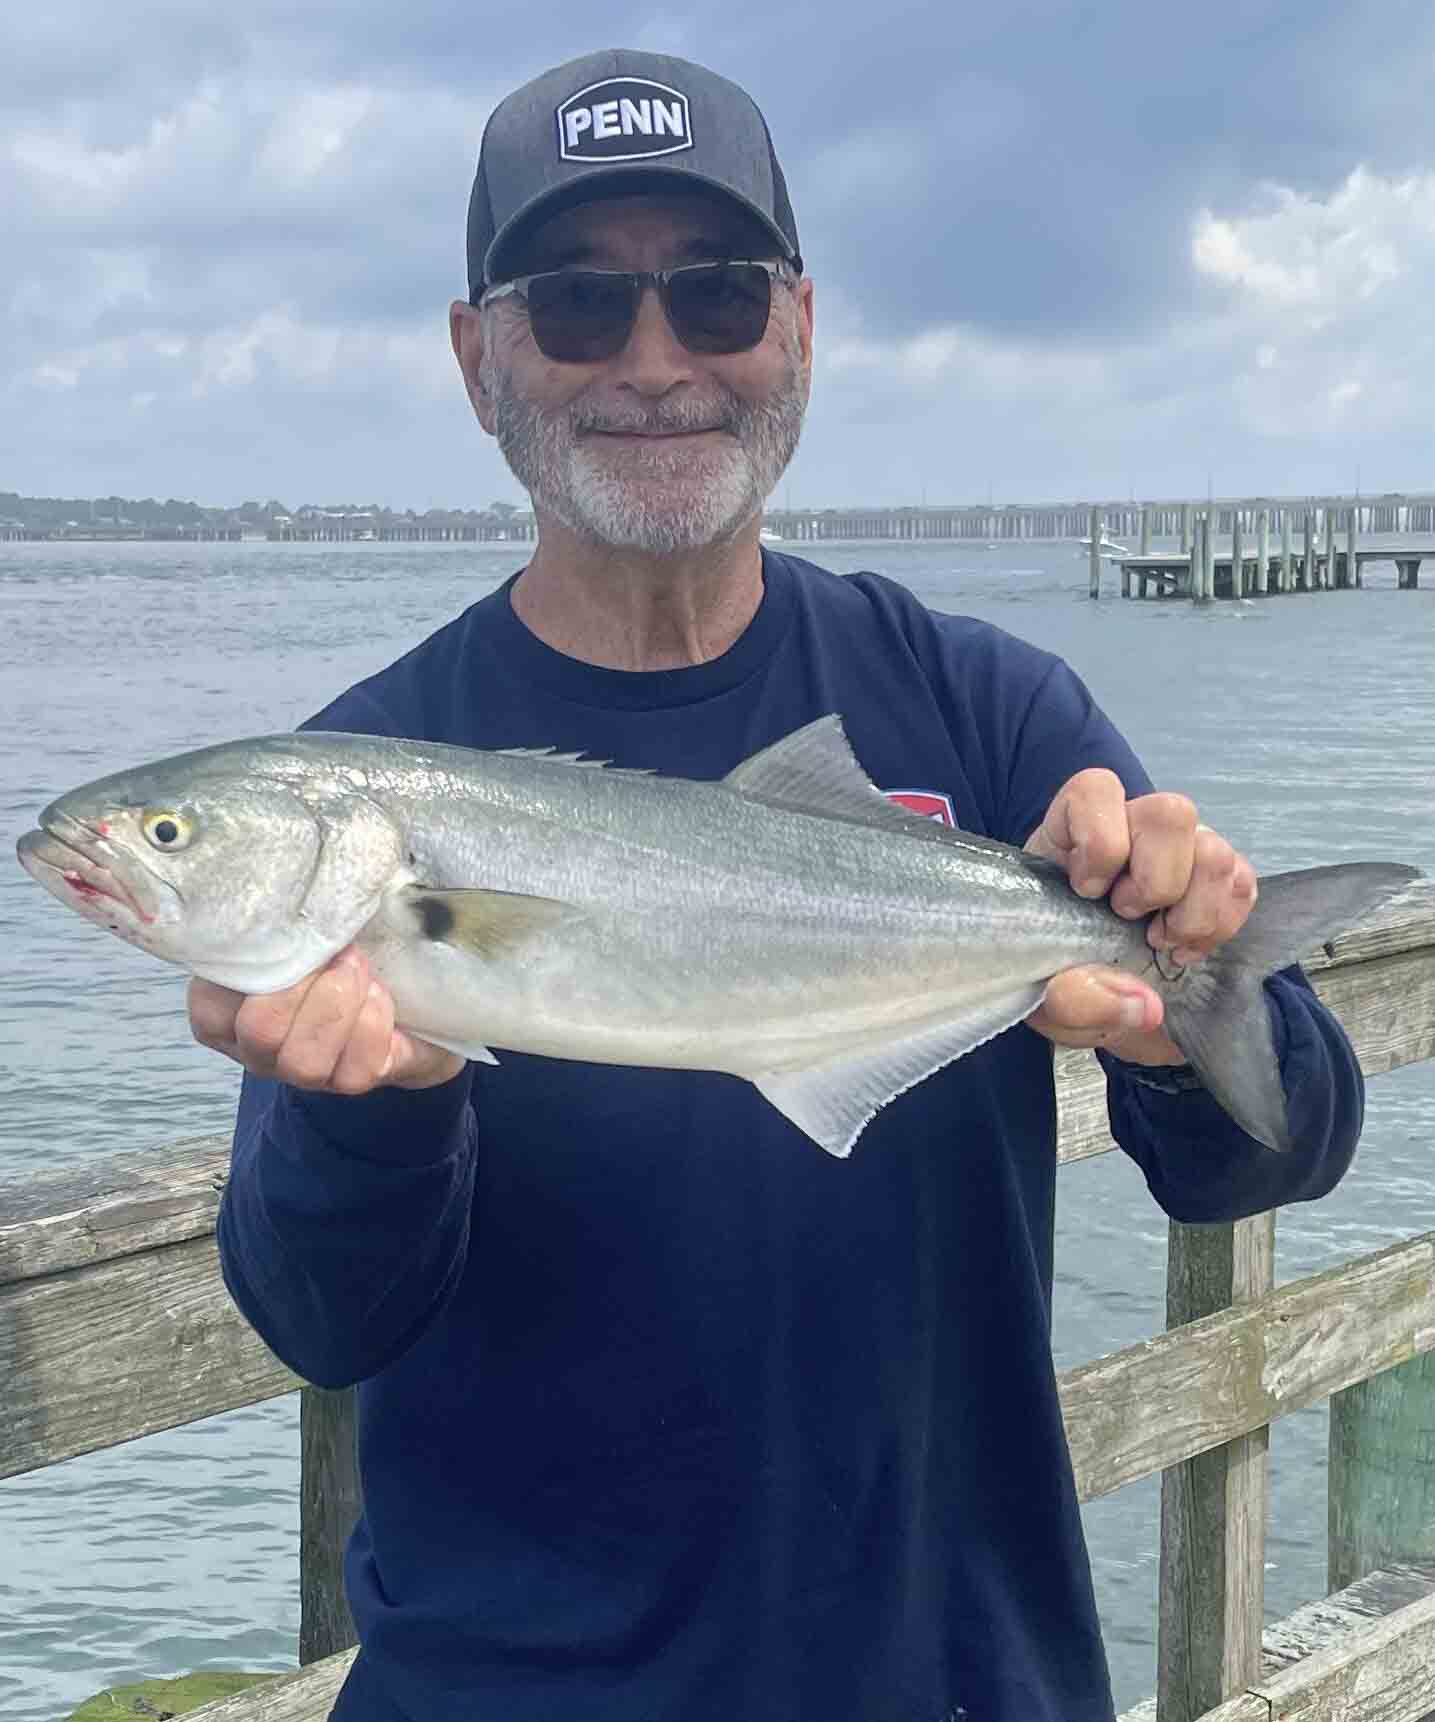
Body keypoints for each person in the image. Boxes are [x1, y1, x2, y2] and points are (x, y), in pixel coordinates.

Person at [200, 49, 1366, 1722]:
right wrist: (368, 1112)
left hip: (950, 1680)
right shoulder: (372, 776)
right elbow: (321, 1319)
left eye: (718, 292)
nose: (654, 360)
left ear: (800, 328)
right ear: (477, 357)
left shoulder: (986, 714)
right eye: (578, 303)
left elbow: (1282, 1146)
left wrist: (1180, 1017)